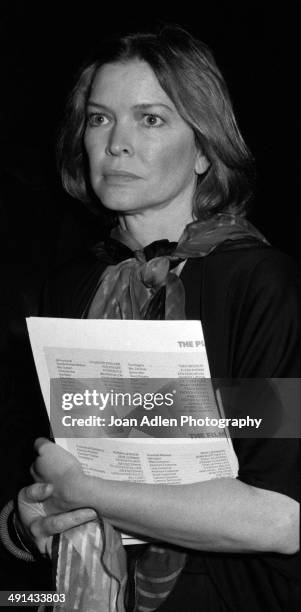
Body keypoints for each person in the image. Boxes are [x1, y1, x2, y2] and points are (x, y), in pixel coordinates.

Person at [0, 25, 299, 611]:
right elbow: (34, 471)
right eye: (99, 118)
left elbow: (281, 516)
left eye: (152, 119)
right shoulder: (69, 287)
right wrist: (23, 523)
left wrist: (85, 492)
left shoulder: (259, 285)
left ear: (207, 150)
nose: (116, 143)